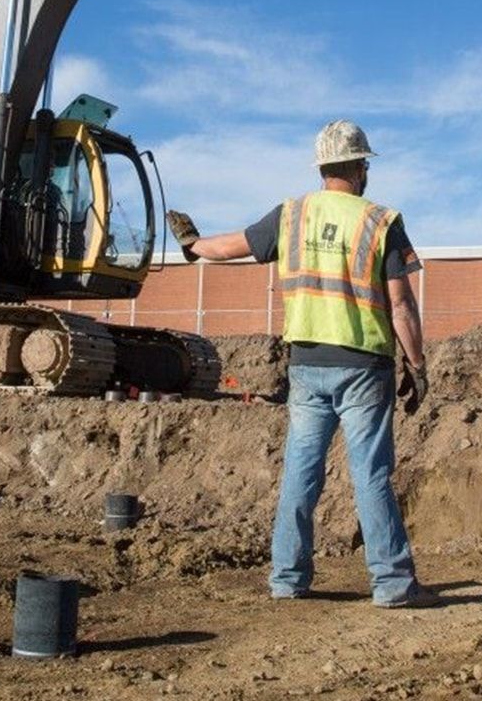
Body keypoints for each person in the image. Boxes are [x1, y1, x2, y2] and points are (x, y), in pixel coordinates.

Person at [166, 120, 439, 609]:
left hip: (307, 366)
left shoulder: (291, 215)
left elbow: (230, 247)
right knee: (371, 475)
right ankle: (393, 585)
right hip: (363, 366)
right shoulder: (381, 221)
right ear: (360, 167)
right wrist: (417, 366)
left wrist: (192, 244)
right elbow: (401, 305)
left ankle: (288, 579)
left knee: (300, 473)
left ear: (322, 168)